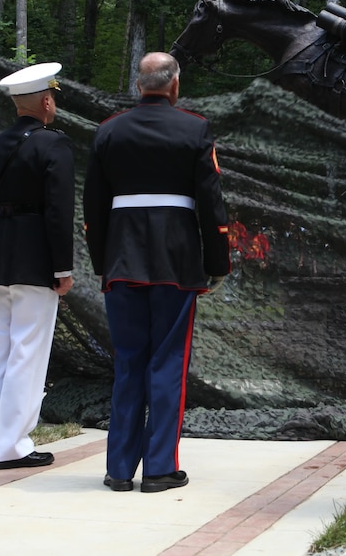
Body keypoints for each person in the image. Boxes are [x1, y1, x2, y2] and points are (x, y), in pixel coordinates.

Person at [83, 52, 230, 493]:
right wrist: (217, 262)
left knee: (128, 363)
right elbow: (211, 203)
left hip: (122, 263)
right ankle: (161, 467)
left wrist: (101, 262)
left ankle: (120, 469)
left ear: (139, 84)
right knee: (167, 363)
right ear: (175, 84)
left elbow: (93, 207)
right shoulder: (194, 128)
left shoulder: (108, 131)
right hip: (176, 263)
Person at [0, 62, 75, 471]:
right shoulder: (54, 145)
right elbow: (59, 212)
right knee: (28, 352)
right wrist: (62, 267)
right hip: (34, 262)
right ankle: (11, 446)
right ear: (47, 101)